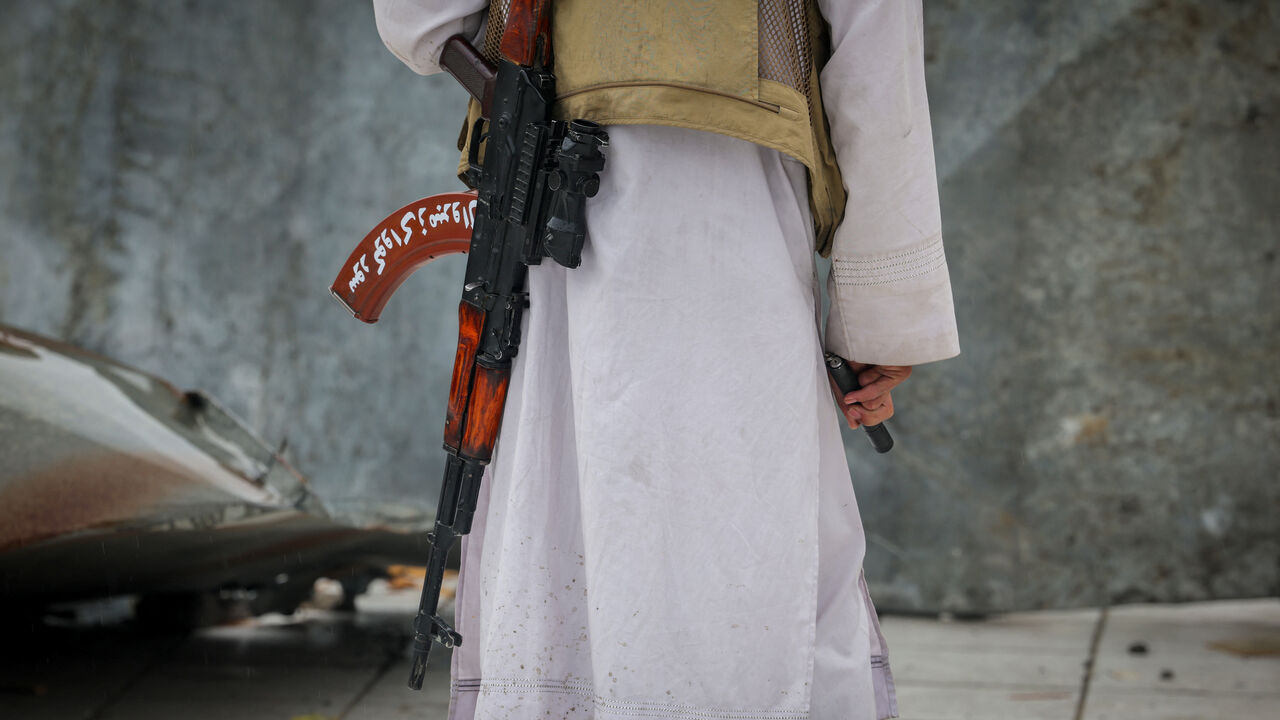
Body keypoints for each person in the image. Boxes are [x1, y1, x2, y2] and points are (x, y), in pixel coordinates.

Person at [372, 1, 959, 718]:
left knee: (573, 538)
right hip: (721, 208)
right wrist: (881, 318)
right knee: (745, 538)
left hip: (568, 199)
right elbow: (875, 51)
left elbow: (421, 18)